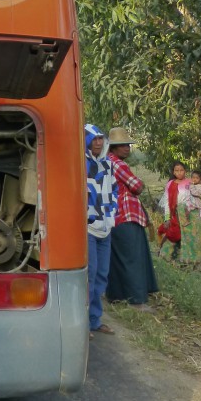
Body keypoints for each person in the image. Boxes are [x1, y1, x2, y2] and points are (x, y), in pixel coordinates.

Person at [105, 126, 158, 310]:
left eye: (128, 144)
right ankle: (137, 300)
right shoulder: (118, 164)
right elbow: (137, 186)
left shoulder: (105, 161)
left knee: (119, 257)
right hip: (127, 215)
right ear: (113, 147)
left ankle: (118, 296)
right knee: (132, 258)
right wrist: (139, 183)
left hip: (114, 217)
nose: (127, 148)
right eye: (123, 145)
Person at [85, 124, 117, 338]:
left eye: (100, 139)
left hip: (105, 227)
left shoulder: (108, 165)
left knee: (102, 275)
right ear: (86, 141)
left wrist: (112, 214)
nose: (98, 143)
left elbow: (113, 191)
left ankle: (95, 320)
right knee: (90, 274)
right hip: (86, 228)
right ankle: (83, 323)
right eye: (93, 139)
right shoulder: (81, 164)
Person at [158, 162, 190, 263]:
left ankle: (187, 261)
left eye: (181, 170)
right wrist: (167, 219)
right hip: (173, 216)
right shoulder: (170, 184)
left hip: (187, 216)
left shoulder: (190, 183)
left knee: (187, 239)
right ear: (173, 172)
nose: (179, 173)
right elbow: (167, 202)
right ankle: (165, 256)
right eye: (177, 170)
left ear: (185, 171)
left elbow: (193, 199)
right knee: (173, 235)